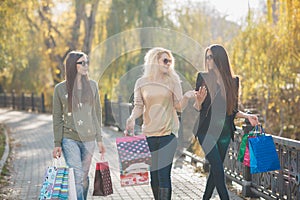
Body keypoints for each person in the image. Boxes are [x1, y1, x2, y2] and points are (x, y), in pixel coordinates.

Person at [125, 47, 195, 200]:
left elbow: (178, 106)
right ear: (154, 61)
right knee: (154, 177)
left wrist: (187, 97)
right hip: (149, 134)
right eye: (165, 60)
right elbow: (138, 106)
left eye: (170, 61)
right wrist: (131, 119)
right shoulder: (142, 82)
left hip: (168, 134)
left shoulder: (173, 81)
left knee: (164, 175)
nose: (168, 63)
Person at [193, 44, 259, 200]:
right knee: (217, 168)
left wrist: (247, 116)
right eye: (207, 57)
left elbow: (232, 110)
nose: (208, 60)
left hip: (224, 133)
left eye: (211, 57)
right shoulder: (202, 77)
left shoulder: (233, 81)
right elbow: (197, 108)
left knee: (216, 170)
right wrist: (198, 102)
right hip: (205, 131)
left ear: (219, 59)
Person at [52, 51, 105, 200]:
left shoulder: (93, 86)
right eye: (82, 63)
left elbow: (97, 114)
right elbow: (57, 117)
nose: (86, 65)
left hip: (89, 139)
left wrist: (99, 139)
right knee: (76, 174)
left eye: (87, 62)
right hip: (69, 138)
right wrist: (57, 143)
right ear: (72, 65)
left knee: (84, 177)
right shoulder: (60, 89)